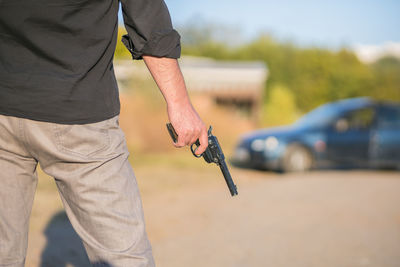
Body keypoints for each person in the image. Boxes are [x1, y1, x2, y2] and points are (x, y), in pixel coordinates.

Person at [0, 0, 208, 266]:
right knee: (125, 259)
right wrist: (179, 104)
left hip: (6, 105)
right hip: (79, 114)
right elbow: (149, 18)